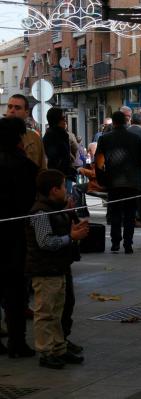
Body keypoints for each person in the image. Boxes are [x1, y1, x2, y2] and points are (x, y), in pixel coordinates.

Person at [25, 169, 88, 369]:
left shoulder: (54, 207)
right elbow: (45, 242)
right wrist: (71, 238)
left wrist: (72, 225)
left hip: (57, 267)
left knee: (57, 310)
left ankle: (59, 348)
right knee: (45, 312)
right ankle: (45, 351)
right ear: (54, 190)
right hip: (45, 270)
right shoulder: (41, 212)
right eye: (63, 187)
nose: (66, 190)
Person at [0, 117, 38, 358]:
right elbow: (29, 203)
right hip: (15, 236)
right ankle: (17, 341)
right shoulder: (25, 167)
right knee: (15, 289)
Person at [95, 111, 141, 254]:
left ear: (113, 122)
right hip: (132, 182)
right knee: (130, 214)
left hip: (113, 182)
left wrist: (101, 178)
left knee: (115, 212)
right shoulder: (135, 138)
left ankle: (115, 243)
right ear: (126, 122)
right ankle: (128, 244)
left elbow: (99, 161)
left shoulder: (105, 139)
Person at [6, 94, 47, 170]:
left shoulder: (34, 138)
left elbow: (42, 168)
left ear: (26, 113)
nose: (12, 110)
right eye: (10, 107)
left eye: (17, 108)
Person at [43, 108, 77, 190]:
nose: (65, 121)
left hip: (62, 175)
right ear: (56, 120)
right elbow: (55, 158)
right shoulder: (54, 136)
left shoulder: (60, 134)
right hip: (59, 177)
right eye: (63, 118)